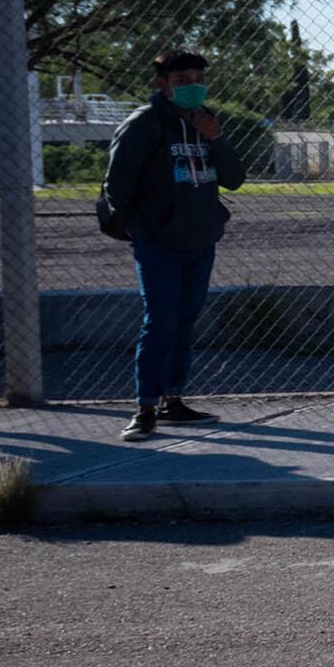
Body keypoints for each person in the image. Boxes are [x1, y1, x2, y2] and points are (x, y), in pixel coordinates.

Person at [101, 48, 244, 440]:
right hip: (159, 243)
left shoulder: (206, 122)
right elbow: (117, 185)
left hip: (200, 240)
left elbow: (233, 178)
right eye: (182, 81)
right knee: (160, 321)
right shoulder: (144, 124)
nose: (193, 87)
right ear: (162, 84)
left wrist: (215, 139)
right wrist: (145, 229)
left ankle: (173, 401)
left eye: (198, 79)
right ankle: (144, 406)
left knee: (185, 321)